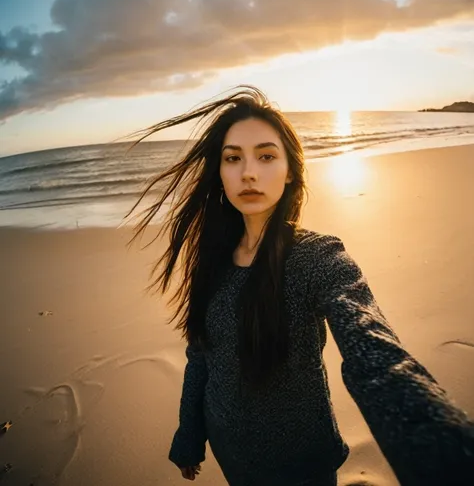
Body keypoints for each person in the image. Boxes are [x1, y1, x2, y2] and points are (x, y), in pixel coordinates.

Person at [125, 85, 474, 486]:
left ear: (290, 170)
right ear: (220, 173)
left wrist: (434, 442)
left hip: (301, 463)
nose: (248, 172)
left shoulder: (318, 257)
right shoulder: (213, 263)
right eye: (232, 158)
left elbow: (373, 348)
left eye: (267, 156)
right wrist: (190, 435)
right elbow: (201, 356)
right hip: (230, 451)